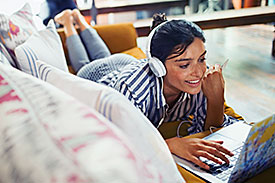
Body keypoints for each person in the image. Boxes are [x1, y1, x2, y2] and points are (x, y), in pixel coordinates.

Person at [54, 9, 243, 170]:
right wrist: (170, 145)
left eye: (201, 59)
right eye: (184, 65)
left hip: (126, 63)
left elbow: (208, 129)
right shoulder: (132, 91)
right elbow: (118, 145)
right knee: (87, 63)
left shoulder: (200, 79)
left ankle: (78, 18)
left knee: (104, 53)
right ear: (157, 66)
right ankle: (69, 24)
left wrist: (216, 98)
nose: (199, 72)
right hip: (96, 76)